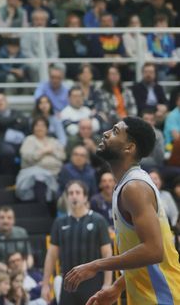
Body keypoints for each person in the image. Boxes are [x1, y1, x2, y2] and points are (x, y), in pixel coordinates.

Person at [64, 117, 180, 304]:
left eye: (116, 131)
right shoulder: (127, 184)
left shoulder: (135, 188)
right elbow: (142, 254)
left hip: (164, 297)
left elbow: (154, 250)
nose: (106, 133)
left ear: (129, 148)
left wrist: (96, 266)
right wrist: (117, 287)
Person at [42, 180, 113, 305]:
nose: (74, 195)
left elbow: (107, 254)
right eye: (70, 193)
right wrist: (45, 284)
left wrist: (107, 284)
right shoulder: (60, 222)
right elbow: (51, 255)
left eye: (77, 192)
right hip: (68, 284)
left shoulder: (98, 220)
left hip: (93, 283)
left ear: (85, 197)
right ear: (67, 198)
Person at [0, 92, 29, 174]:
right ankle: (7, 175)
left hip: (18, 140)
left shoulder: (15, 112)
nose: (0, 102)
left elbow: (25, 122)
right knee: (8, 151)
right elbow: (2, 122)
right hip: (0, 143)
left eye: (2, 100)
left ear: (6, 101)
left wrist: (10, 122)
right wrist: (15, 120)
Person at [0, 207, 33, 272]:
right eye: (2, 218)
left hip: (22, 270)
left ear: (14, 220)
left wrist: (24, 268)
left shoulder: (22, 232)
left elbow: (29, 257)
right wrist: (10, 272)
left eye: (9, 218)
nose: (5, 221)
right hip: (0, 273)